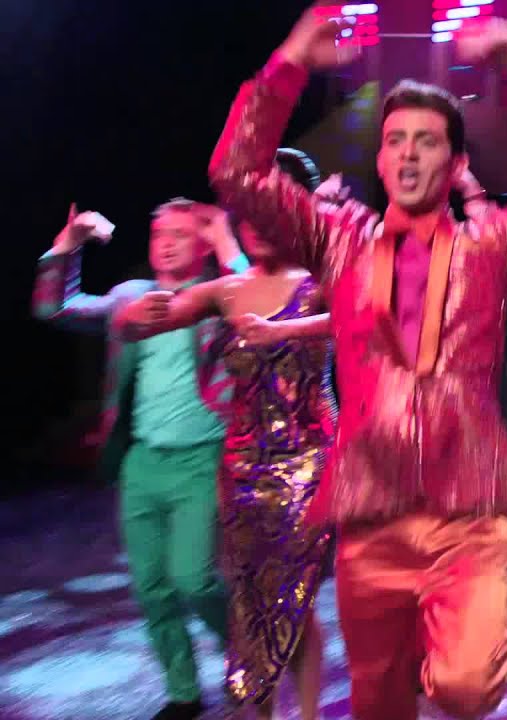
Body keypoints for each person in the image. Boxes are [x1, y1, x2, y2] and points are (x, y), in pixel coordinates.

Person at [206, 7, 507, 719]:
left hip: (468, 517)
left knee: (466, 685)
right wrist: (288, 62)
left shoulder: (493, 248)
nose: (409, 155)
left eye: (427, 142)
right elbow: (236, 173)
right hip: (372, 516)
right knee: (379, 702)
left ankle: (443, 648)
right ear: (382, 158)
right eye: (396, 141)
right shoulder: (338, 242)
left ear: (456, 164)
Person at [115, 152, 337, 720]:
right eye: (248, 210)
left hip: (305, 465)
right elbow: (139, 322)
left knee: (296, 601)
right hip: (240, 467)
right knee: (246, 601)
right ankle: (254, 711)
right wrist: (134, 316)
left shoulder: (323, 282)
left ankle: (308, 714)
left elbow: (371, 316)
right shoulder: (227, 289)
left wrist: (286, 329)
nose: (257, 222)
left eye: (271, 208)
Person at [32, 199, 248, 720]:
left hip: (201, 460)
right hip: (143, 462)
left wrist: (225, 239)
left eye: (180, 234)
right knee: (152, 587)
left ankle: (247, 653)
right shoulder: (130, 297)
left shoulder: (219, 295)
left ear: (202, 246)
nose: (167, 244)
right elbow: (51, 308)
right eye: (159, 235)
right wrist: (68, 245)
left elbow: (255, 300)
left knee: (194, 578)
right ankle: (183, 692)